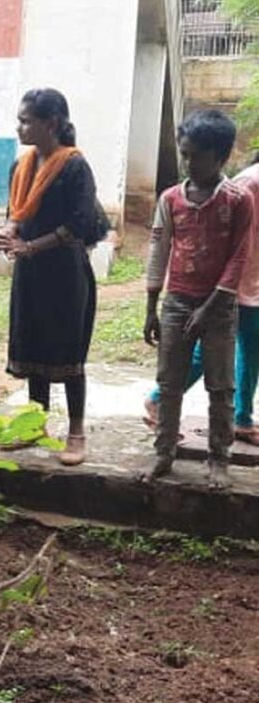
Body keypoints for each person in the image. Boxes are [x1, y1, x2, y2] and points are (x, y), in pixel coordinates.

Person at [143, 109, 254, 487]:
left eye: (196, 155)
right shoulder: (171, 198)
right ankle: (164, 453)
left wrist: (211, 305)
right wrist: (151, 306)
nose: (188, 162)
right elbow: (159, 251)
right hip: (176, 302)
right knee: (169, 381)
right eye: (184, 153)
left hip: (220, 307)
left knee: (220, 386)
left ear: (220, 156)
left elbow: (239, 255)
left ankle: (219, 459)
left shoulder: (238, 200)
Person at [0, 88, 102, 467]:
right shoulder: (21, 165)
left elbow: (80, 225)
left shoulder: (74, 166)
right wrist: (9, 231)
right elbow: (16, 211)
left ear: (51, 124)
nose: (19, 127)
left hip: (65, 273)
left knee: (68, 353)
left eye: (26, 120)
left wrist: (31, 247)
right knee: (32, 345)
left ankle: (75, 432)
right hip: (30, 273)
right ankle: (35, 424)